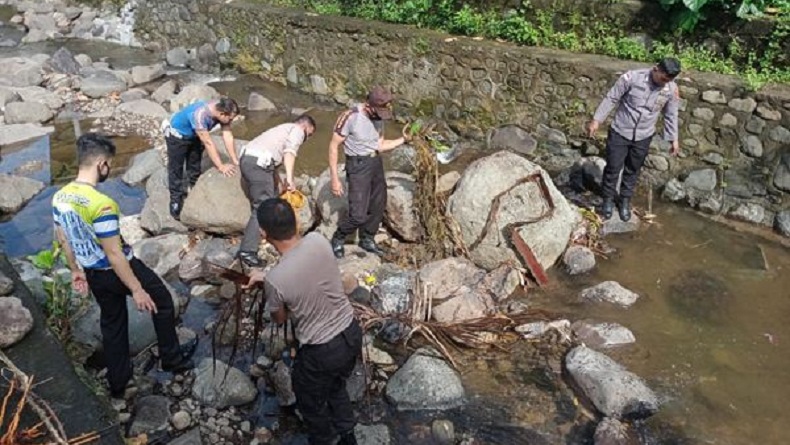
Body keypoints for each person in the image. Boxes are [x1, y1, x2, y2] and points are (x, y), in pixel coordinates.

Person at [52, 133, 195, 398]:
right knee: (162, 301)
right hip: (119, 269)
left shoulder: (60, 197)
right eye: (109, 164)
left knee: (112, 321)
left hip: (93, 273)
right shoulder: (102, 204)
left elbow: (63, 238)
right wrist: (137, 289)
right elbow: (115, 254)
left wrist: (75, 270)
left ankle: (119, 382)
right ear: (101, 165)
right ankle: (172, 359)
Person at [247, 198, 362, 445]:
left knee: (309, 401)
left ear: (263, 234)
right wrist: (268, 279)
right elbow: (306, 272)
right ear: (295, 221)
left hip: (321, 350)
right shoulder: (318, 240)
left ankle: (325, 440)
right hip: (351, 332)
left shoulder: (276, 280)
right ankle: (347, 434)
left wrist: (269, 285)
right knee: (336, 385)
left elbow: (280, 319)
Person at [587, 57, 682, 221]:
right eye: (663, 78)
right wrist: (597, 120)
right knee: (613, 168)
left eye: (669, 80)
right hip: (620, 131)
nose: (664, 82)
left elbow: (671, 114)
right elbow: (612, 98)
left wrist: (673, 138)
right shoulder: (631, 78)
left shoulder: (670, 89)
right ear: (656, 69)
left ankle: (624, 201)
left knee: (632, 170)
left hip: (643, 136)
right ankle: (608, 200)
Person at [328, 86, 411, 259]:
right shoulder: (350, 117)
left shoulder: (379, 117)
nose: (381, 115)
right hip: (358, 165)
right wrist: (334, 178)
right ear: (368, 105)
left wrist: (403, 140)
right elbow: (333, 146)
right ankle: (338, 237)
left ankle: (367, 238)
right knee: (358, 214)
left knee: (378, 204)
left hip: (375, 162)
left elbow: (379, 145)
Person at [236, 114, 317, 267]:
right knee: (262, 206)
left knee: (272, 200)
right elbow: (290, 153)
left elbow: (273, 166)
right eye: (309, 134)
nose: (307, 139)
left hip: (251, 160)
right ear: (305, 127)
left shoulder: (282, 129)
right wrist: (290, 179)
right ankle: (247, 251)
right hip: (258, 165)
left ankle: (272, 237)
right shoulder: (297, 130)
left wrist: (280, 185)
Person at [163, 97, 241, 220]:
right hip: (177, 135)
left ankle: (195, 187)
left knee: (195, 163)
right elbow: (208, 142)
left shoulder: (222, 108)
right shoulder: (200, 115)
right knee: (176, 168)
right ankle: (175, 199)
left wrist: (235, 160)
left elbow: (227, 135)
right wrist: (221, 166)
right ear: (222, 114)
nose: (230, 121)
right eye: (230, 118)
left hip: (194, 135)